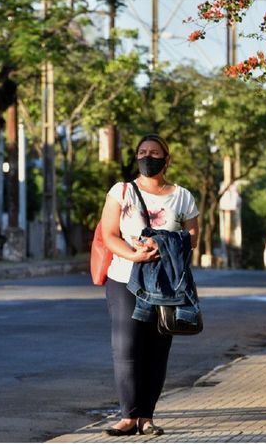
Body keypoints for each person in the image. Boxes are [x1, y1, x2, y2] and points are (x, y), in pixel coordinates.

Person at [99, 134, 199, 436]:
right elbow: (109, 234)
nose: (148, 157)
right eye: (142, 152)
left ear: (166, 159)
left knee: (157, 349)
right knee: (127, 347)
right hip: (125, 278)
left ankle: (147, 417)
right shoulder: (122, 191)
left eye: (154, 153)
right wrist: (134, 254)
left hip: (165, 283)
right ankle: (128, 416)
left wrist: (166, 247)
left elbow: (193, 236)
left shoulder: (182, 196)